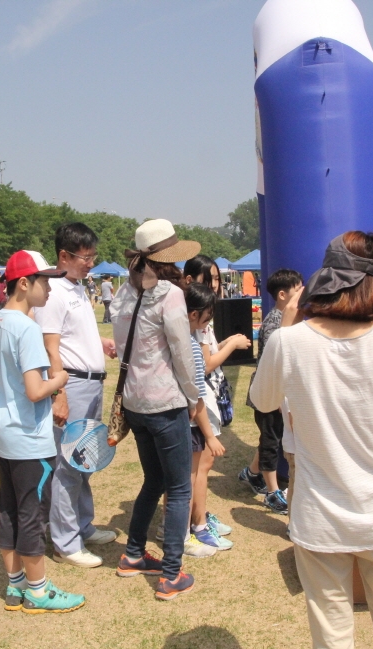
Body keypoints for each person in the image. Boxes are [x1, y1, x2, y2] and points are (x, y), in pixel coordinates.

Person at [250, 232, 373, 649]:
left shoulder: (288, 341)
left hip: (320, 514)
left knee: (331, 632)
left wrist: (292, 323)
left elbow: (261, 399)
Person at [0, 249, 83, 614]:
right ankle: (38, 590)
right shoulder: (26, 327)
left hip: (2, 430)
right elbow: (34, 389)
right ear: (24, 284)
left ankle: (16, 586)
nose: (49, 289)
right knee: (31, 513)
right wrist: (59, 379)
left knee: (9, 508)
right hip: (28, 436)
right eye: (44, 281)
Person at [109, 219, 201, 601]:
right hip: (165, 402)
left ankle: (133, 554)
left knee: (154, 480)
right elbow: (181, 352)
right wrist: (194, 397)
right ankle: (170, 573)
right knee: (179, 488)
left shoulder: (121, 292)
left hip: (135, 404)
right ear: (167, 259)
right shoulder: (168, 294)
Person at [35, 223, 118, 568]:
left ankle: (82, 526)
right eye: (85, 257)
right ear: (64, 256)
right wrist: (60, 394)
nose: (90, 264)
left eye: (93, 257)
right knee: (68, 464)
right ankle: (66, 542)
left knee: (84, 460)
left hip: (91, 383)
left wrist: (99, 344)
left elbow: (71, 335)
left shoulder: (76, 287)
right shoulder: (53, 290)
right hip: (73, 385)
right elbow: (49, 344)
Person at [180, 255, 250, 548]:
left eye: (217, 279)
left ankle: (199, 516)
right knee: (198, 468)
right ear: (188, 282)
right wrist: (232, 345)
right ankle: (194, 524)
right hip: (199, 401)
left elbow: (206, 356)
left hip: (204, 398)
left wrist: (224, 343)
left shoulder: (199, 318)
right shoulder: (193, 319)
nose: (215, 286)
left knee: (199, 469)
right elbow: (205, 364)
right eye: (208, 280)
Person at [240, 269, 304, 513]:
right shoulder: (275, 322)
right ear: (282, 295)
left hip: (278, 393)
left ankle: (252, 473)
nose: (301, 295)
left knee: (272, 436)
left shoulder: (286, 319)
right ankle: (272, 492)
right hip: (269, 394)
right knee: (271, 442)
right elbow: (273, 363)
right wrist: (278, 395)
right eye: (297, 290)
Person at [183, 283, 228, 554]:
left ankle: (195, 528)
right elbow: (197, 397)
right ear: (192, 315)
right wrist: (210, 436)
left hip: (184, 422)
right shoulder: (190, 346)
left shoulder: (178, 340)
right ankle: (188, 534)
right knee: (188, 480)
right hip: (191, 426)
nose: (207, 324)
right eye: (207, 319)